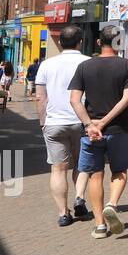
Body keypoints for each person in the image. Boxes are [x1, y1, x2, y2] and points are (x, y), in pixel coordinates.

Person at [69, 25, 128, 239]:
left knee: (95, 175)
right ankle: (112, 203)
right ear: (121, 43)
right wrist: (105, 122)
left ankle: (99, 225)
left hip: (91, 134)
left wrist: (91, 125)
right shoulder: (127, 65)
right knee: (119, 171)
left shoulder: (84, 66)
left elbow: (74, 100)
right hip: (120, 129)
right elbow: (127, 98)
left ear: (99, 42)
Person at [34, 26, 93, 227]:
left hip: (54, 123)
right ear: (80, 42)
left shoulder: (47, 65)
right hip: (82, 121)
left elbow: (40, 97)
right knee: (82, 165)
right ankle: (79, 199)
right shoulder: (88, 63)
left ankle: (63, 213)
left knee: (58, 170)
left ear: (60, 42)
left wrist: (43, 122)